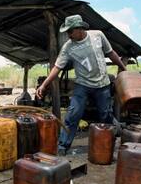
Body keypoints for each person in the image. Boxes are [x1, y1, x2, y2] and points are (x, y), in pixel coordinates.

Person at [36, 14, 127, 155]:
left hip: (103, 84)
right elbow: (57, 67)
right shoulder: (68, 48)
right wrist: (44, 85)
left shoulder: (98, 35)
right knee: (73, 115)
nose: (68, 35)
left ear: (79, 28)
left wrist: (124, 69)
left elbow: (111, 53)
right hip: (82, 85)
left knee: (105, 115)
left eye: (70, 31)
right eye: (67, 32)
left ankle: (110, 140)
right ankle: (63, 146)